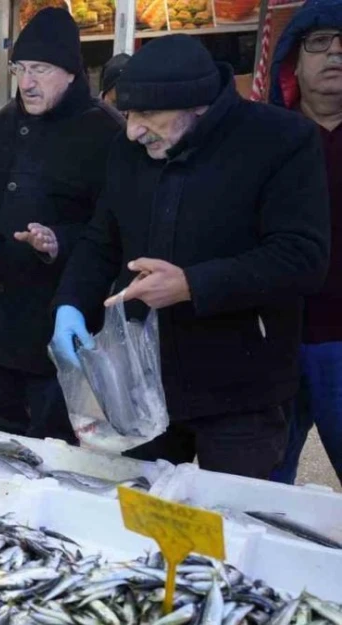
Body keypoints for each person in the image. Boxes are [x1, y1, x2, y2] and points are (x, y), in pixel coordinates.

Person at [51, 35, 330, 479]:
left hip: (243, 391)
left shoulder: (281, 140)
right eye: (127, 114)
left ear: (197, 107)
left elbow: (302, 256)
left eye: (147, 115)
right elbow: (101, 238)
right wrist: (69, 305)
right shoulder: (129, 149)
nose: (132, 130)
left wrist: (192, 284)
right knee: (143, 518)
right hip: (145, 382)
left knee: (234, 526)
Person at [0, 7, 122, 443]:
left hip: (60, 334)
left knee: (56, 453)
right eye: (20, 68)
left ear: (71, 73)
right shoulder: (0, 125)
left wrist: (58, 241)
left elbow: (112, 229)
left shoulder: (105, 132)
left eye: (41, 69)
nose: (27, 82)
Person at [268, 0, 342, 484]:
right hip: (274, 338)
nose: (336, 52)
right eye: (320, 42)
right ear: (293, 60)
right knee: (264, 488)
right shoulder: (264, 142)